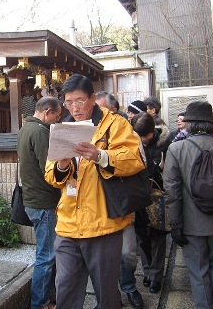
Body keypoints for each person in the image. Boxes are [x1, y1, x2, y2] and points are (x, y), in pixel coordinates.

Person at [44, 74, 145, 309]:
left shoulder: (115, 124)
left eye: (79, 101)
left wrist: (99, 156)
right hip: (68, 224)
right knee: (65, 290)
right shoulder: (63, 128)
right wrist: (62, 164)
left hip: (103, 225)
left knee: (106, 294)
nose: (74, 108)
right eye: (68, 103)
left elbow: (135, 160)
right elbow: (51, 176)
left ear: (92, 98)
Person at [163, 101, 213, 309]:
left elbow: (172, 192)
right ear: (212, 124)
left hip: (191, 223)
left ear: (189, 124)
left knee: (198, 270)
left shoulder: (176, 149)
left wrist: (175, 225)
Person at [95, 93, 144, 308]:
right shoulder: (85, 129)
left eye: (102, 110)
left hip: (121, 202)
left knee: (128, 253)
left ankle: (129, 286)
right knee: (103, 256)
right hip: (97, 204)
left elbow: (137, 161)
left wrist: (103, 157)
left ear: (113, 109)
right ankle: (109, 294)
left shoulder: (125, 130)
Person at [17, 96, 62, 309]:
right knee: (46, 255)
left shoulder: (25, 129)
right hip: (43, 201)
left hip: (32, 200)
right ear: (48, 112)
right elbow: (50, 168)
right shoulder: (41, 131)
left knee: (46, 252)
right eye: (56, 116)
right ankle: (40, 303)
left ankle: (49, 297)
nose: (56, 121)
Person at [131, 112, 171, 295]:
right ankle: (146, 271)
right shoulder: (132, 143)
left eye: (144, 137)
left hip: (159, 198)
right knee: (142, 236)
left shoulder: (166, 144)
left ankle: (156, 276)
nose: (142, 140)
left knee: (157, 237)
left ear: (151, 132)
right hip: (138, 198)